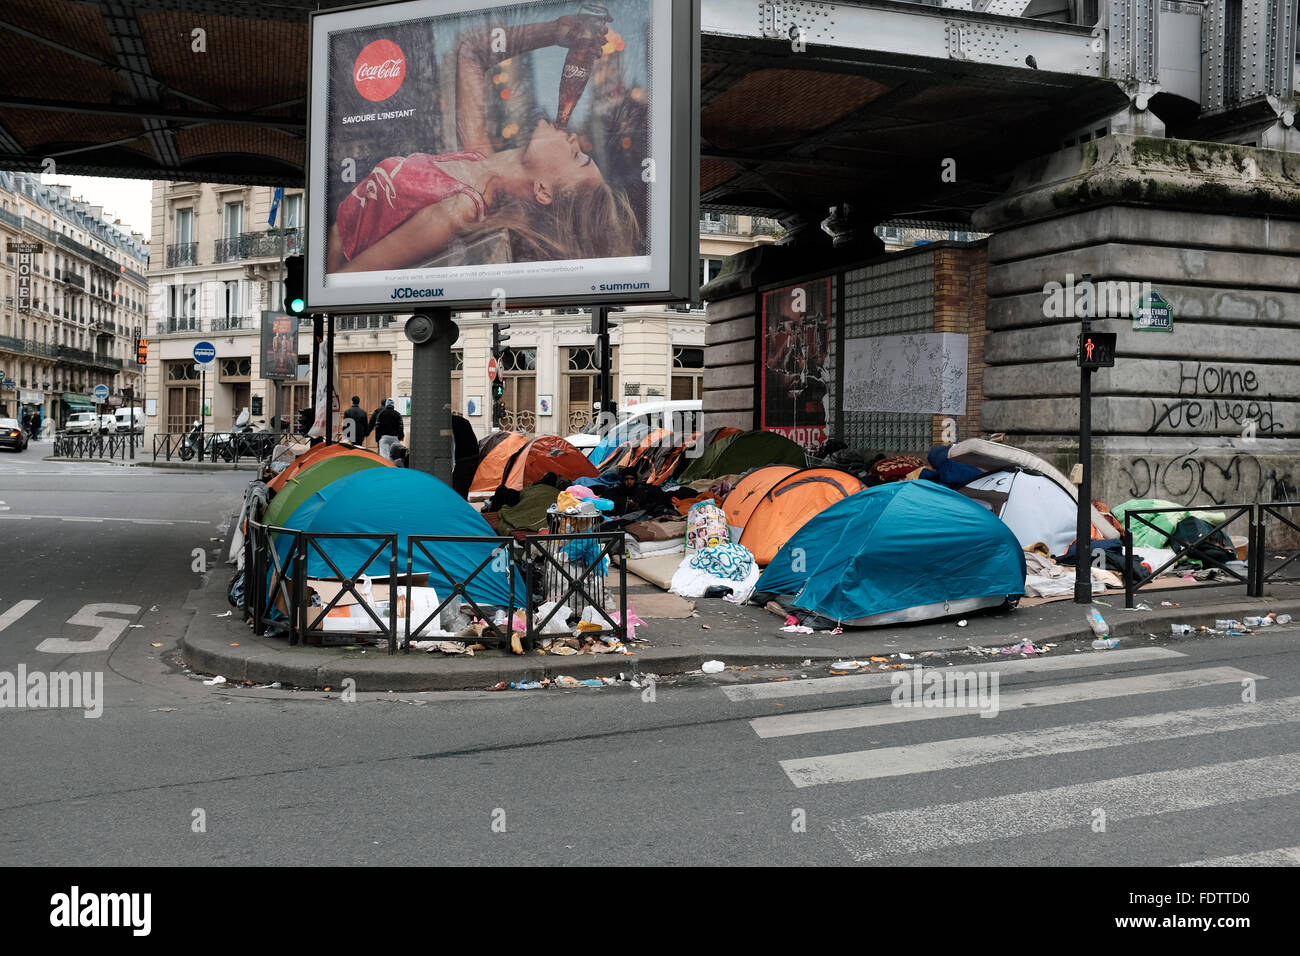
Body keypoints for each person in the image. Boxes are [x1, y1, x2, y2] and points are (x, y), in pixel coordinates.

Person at [325, 13, 640, 274]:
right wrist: (553, 31)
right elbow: (471, 51)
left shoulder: (460, 209)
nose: (574, 139)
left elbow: (349, 278)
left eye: (578, 157)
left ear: (543, 190)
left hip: (334, 253)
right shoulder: (478, 160)